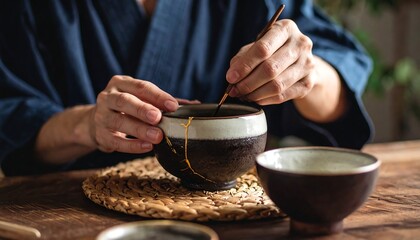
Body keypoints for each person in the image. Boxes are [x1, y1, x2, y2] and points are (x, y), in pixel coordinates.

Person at [0, 0, 373, 176]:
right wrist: (87, 124)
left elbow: (337, 77)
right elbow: (11, 111)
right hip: (64, 211)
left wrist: (308, 74)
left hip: (226, 218)